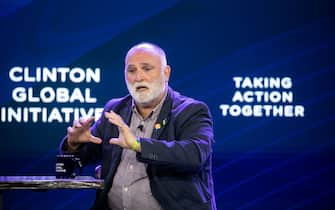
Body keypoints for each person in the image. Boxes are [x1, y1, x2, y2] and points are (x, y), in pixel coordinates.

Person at [60, 42, 216, 210]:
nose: (138, 77)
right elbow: (72, 168)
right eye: (131, 70)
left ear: (166, 73)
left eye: (147, 69)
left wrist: (138, 145)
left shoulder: (190, 111)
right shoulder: (115, 110)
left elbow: (195, 156)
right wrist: (73, 145)